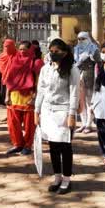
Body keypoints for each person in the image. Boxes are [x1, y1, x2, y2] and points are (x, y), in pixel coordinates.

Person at [35, 39, 80, 194]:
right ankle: (57, 177)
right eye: (51, 51)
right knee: (53, 147)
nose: (53, 54)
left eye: (56, 51)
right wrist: (37, 111)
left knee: (65, 146)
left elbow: (74, 93)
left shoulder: (72, 69)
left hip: (63, 111)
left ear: (65, 52)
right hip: (47, 111)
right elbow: (40, 91)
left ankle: (67, 179)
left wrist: (72, 114)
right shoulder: (45, 69)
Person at [4, 41, 43, 156]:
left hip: (29, 96)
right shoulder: (14, 61)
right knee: (13, 124)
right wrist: (7, 95)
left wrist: (35, 97)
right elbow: (9, 80)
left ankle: (27, 145)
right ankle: (17, 144)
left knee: (29, 125)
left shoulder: (36, 62)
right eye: (20, 49)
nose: (21, 51)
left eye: (24, 49)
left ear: (30, 50)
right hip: (14, 97)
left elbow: (40, 82)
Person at [74, 31, 101, 134]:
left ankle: (89, 123)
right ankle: (83, 123)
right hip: (78, 75)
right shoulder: (76, 49)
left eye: (83, 39)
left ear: (88, 38)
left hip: (90, 76)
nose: (80, 41)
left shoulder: (94, 49)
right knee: (81, 101)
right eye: (79, 39)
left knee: (90, 100)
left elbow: (99, 63)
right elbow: (75, 62)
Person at [0, 39, 17, 106]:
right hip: (3, 78)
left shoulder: (17, 56)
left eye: (9, 46)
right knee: (2, 93)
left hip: (14, 79)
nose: (7, 48)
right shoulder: (1, 56)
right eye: (5, 46)